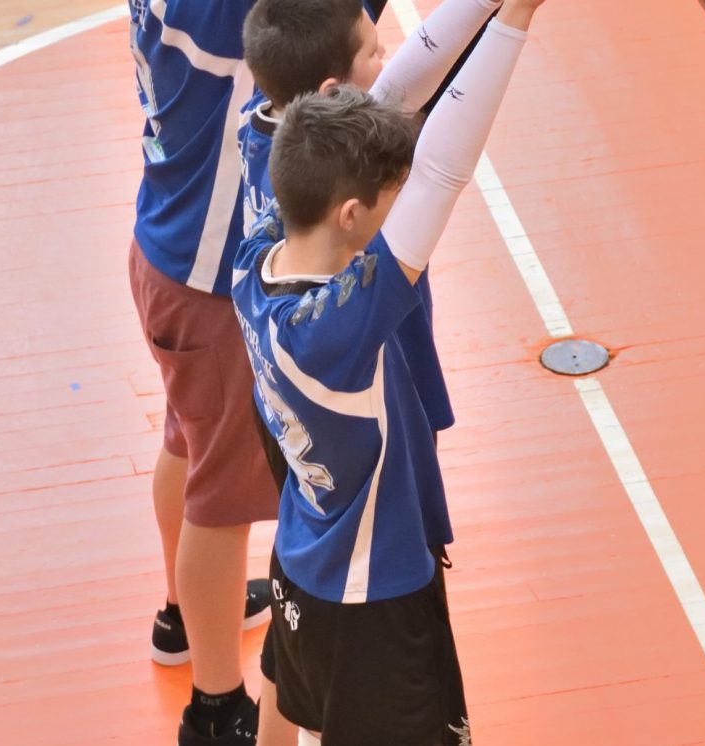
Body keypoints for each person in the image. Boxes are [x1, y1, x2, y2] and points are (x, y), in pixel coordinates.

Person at [230, 1, 546, 742]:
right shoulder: (337, 332)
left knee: (290, 695)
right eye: (388, 195)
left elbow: (393, 99)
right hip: (373, 599)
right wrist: (516, 21)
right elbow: (440, 171)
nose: (400, 199)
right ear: (350, 215)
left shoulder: (258, 255)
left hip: (304, 556)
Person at [125, 1, 277, 743]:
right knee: (223, 498)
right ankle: (217, 709)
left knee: (186, 441)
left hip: (164, 247)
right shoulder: (234, 18)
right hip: (211, 285)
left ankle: (183, 614)